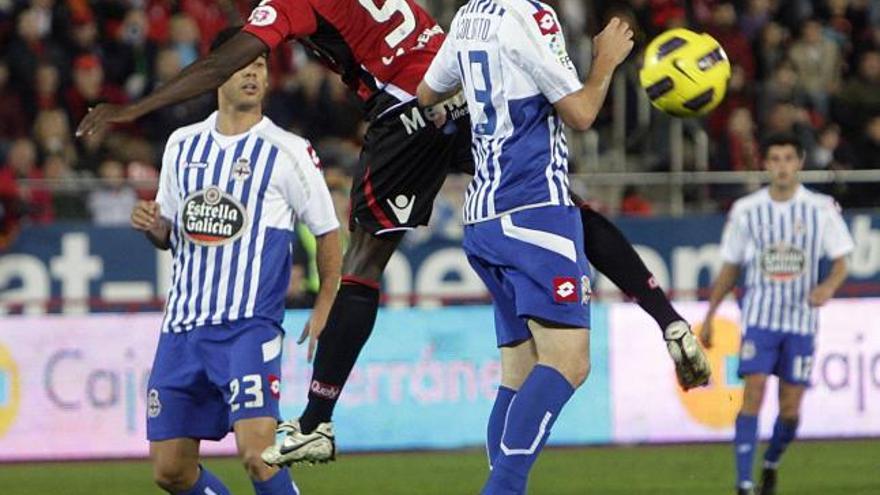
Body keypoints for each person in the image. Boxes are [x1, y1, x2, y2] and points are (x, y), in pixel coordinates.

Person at [77, 0, 709, 467]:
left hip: (411, 107)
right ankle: (668, 320)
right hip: (464, 89)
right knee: (560, 203)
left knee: (364, 260)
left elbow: (227, 56)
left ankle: (318, 420)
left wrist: (132, 110)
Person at [416, 4, 634, 491]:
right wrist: (605, 62)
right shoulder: (531, 15)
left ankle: (503, 484)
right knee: (569, 361)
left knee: (519, 371)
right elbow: (580, 112)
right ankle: (504, 489)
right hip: (534, 208)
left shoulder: (469, 15)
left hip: (484, 216)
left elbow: (427, 94)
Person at [129, 28, 342, 495]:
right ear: (215, 73)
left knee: (259, 456)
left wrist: (327, 301)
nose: (252, 72)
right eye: (242, 63)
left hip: (248, 328)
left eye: (260, 64)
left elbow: (327, 229)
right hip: (182, 329)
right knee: (170, 471)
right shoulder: (182, 145)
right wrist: (154, 226)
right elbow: (169, 233)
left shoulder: (288, 151)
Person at [701, 133, 854, 495]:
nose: (782, 166)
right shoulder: (746, 210)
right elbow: (730, 267)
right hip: (759, 319)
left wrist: (828, 287)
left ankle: (770, 462)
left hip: (801, 322)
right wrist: (710, 314)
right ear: (766, 164)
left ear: (799, 162)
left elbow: (841, 262)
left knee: (790, 409)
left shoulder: (821, 208)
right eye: (775, 159)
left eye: (788, 158)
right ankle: (744, 482)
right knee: (752, 391)